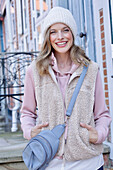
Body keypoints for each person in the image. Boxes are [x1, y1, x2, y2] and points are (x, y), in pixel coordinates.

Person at [20, 7, 112, 170]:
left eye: (65, 30)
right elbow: (27, 112)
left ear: (73, 33)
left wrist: (99, 134)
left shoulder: (91, 69)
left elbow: (102, 114)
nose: (60, 37)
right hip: (50, 161)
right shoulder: (34, 71)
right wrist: (30, 131)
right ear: (48, 36)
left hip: (88, 162)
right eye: (53, 32)